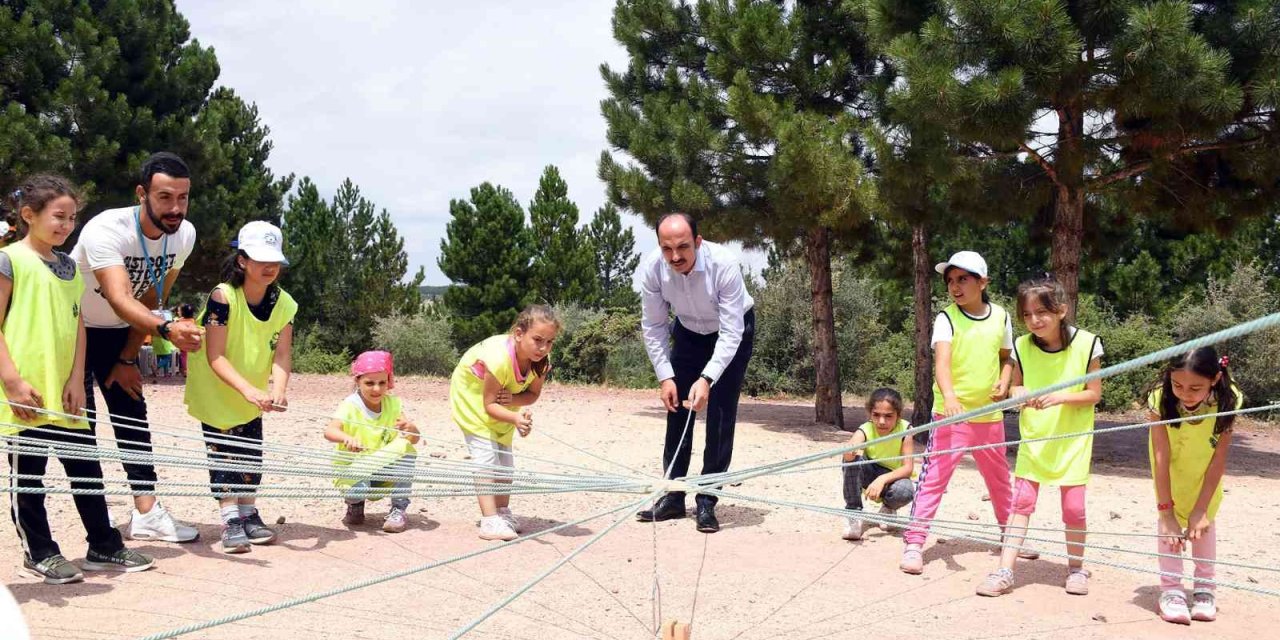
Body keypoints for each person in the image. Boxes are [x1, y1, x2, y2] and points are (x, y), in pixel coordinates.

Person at [1, 176, 154, 584]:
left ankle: (102, 544)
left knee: (85, 467)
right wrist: (12, 381)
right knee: (28, 473)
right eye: (58, 216)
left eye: (72, 218)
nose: (66, 225)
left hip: (66, 389)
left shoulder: (69, 267)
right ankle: (39, 551)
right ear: (28, 215)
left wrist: (76, 379)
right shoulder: (9, 259)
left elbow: (79, 325)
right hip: (25, 390)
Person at [71, 151, 204, 543]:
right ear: (142, 193)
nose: (175, 208)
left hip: (121, 331)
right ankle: (98, 533)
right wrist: (166, 328)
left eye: (183, 197)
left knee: (133, 419)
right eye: (165, 197)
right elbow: (118, 295)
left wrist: (129, 355)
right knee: (81, 427)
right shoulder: (106, 229)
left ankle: (146, 514)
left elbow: (151, 293)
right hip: (74, 328)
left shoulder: (185, 235)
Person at [976, 277, 1102, 597]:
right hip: (1035, 437)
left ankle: (1076, 568)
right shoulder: (1021, 346)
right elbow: (1017, 387)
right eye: (1027, 314)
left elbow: (1093, 394)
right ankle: (1005, 570)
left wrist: (1059, 397)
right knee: (1022, 503)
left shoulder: (1087, 343)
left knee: (1074, 509)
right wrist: (1019, 392)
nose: (1034, 320)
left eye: (1041, 312)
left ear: (1061, 310)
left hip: (1072, 440)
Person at [635, 213, 755, 534]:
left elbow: (732, 332)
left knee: (719, 412)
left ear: (698, 243)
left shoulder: (724, 264)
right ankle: (673, 496)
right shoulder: (652, 269)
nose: (675, 256)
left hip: (731, 332)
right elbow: (654, 326)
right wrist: (665, 377)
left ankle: (707, 500)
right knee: (676, 408)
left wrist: (707, 379)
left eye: (683, 247)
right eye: (667, 248)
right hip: (687, 332)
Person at [184, 221, 296, 553]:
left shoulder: (285, 303)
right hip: (219, 392)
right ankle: (230, 519)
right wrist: (249, 390)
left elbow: (283, 353)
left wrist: (279, 387)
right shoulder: (223, 297)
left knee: (250, 455)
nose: (270, 267)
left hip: (253, 395)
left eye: (274, 260)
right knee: (223, 457)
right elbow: (215, 356)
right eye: (261, 260)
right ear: (242, 260)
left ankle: (249, 514)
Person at [902, 250, 1014, 574]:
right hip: (951, 416)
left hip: (990, 417)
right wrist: (949, 396)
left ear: (983, 282)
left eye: (962, 279)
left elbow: (1008, 357)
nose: (955, 286)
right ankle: (914, 542)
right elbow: (942, 364)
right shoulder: (946, 318)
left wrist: (1005, 381)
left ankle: (1010, 537)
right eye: (950, 280)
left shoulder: (1002, 317)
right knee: (934, 479)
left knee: (999, 480)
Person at [449, 305, 559, 541]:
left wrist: (515, 404)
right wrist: (515, 416)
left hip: (502, 401)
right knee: (486, 458)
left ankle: (501, 512)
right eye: (537, 339)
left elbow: (532, 394)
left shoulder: (540, 362)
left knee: (505, 463)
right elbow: (488, 405)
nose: (543, 348)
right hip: (473, 397)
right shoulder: (499, 360)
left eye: (549, 342)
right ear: (519, 334)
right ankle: (489, 520)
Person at [1147, 347, 1241, 625]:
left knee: (1204, 523)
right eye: (1177, 385)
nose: (1185, 393)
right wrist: (1165, 512)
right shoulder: (1160, 399)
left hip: (1205, 468)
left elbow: (1219, 458)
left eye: (1195, 387)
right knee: (1170, 526)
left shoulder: (1229, 399)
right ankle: (1171, 590)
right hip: (1171, 468)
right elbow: (1160, 455)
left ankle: (1204, 589)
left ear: (1214, 379)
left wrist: (1201, 509)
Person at [324, 351, 420, 533]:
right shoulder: (350, 405)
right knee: (356, 492)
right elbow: (329, 431)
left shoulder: (393, 404)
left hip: (382, 469)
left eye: (382, 383)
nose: (376, 389)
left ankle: (399, 509)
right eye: (369, 383)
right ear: (357, 382)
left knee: (406, 449)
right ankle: (356, 505)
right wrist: (347, 438)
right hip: (355, 468)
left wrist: (412, 429)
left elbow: (413, 440)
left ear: (388, 382)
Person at [840, 388, 916, 541]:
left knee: (906, 491)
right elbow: (850, 451)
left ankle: (888, 509)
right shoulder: (866, 428)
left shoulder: (905, 430)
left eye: (888, 416)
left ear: (898, 415)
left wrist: (881, 480)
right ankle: (853, 512)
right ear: (870, 414)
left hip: (893, 479)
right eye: (876, 415)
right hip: (869, 472)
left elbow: (908, 468)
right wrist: (849, 451)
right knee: (850, 462)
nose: (882, 421)